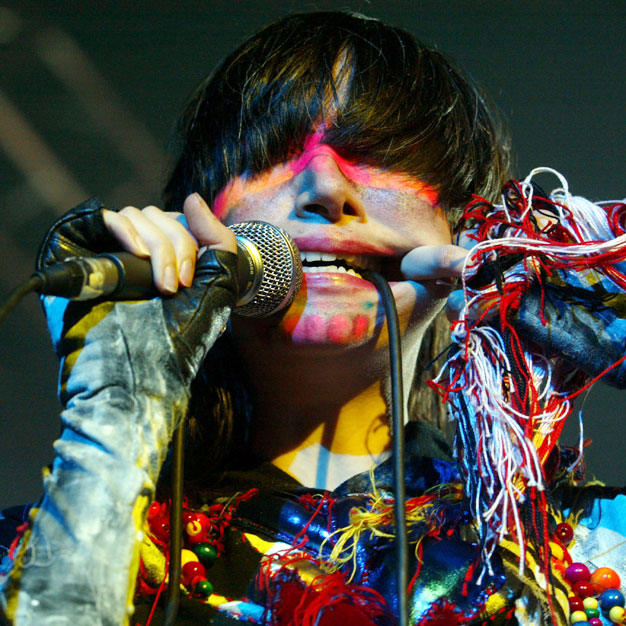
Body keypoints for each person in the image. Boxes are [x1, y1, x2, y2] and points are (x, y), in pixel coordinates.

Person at [1, 11, 624, 626]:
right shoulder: (34, 549)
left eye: (378, 153)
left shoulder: (589, 549)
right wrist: (116, 410)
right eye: (270, 153)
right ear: (194, 227)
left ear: (465, 225)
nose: (324, 188)